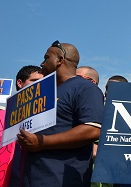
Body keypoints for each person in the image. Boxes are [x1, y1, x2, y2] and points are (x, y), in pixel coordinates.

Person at [14, 40, 105, 187]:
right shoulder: (44, 92)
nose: (42, 63)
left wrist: (42, 142)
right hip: (31, 178)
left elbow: (93, 130)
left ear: (60, 60)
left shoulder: (85, 88)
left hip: (62, 179)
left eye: (46, 57)